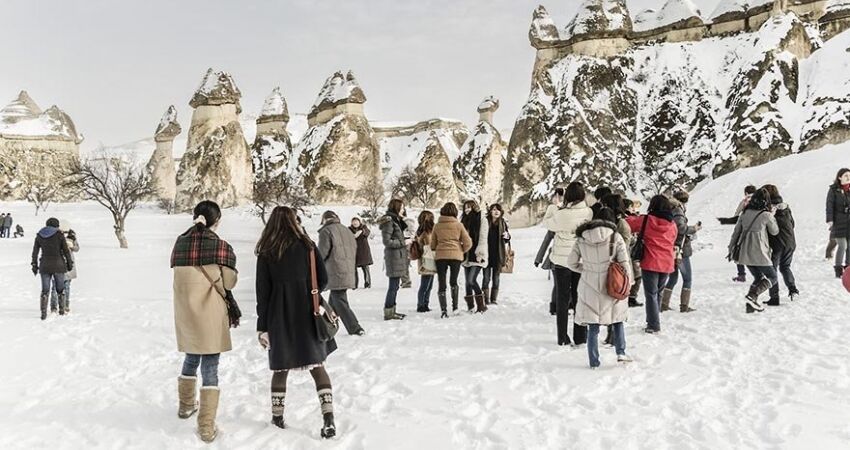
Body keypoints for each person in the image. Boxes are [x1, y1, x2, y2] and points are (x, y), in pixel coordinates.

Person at [255, 206, 338, 439]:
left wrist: (262, 327)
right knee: (318, 366)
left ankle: (277, 417)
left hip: (278, 315)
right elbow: (323, 280)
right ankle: (328, 418)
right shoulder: (307, 246)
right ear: (294, 221)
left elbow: (263, 293)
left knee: (280, 368)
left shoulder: (267, 251)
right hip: (308, 311)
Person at [170, 201, 236, 443]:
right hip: (210, 313)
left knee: (191, 356)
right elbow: (229, 283)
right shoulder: (220, 246)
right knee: (210, 365)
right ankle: (206, 426)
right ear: (216, 221)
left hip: (186, 311)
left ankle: (186, 406)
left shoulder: (180, 243)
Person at [567, 208, 634, 368]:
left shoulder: (582, 238)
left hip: (589, 284)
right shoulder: (615, 237)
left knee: (593, 324)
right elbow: (624, 263)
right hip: (612, 282)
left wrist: (587, 269)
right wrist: (628, 282)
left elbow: (571, 263)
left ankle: (594, 361)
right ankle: (621, 352)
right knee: (617, 319)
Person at [543, 181, 593, 346]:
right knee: (580, 298)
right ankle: (580, 336)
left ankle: (563, 337)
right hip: (580, 260)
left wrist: (554, 206)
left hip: (562, 261)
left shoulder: (562, 214)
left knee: (562, 299)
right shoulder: (589, 213)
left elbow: (547, 223)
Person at [626, 195, 678, 334]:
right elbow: (673, 240)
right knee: (658, 293)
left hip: (651, 261)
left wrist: (627, 214)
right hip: (667, 262)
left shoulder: (647, 220)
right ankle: (655, 319)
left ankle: (653, 324)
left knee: (651, 294)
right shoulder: (672, 224)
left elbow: (629, 224)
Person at [729, 188, 779, 313]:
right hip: (760, 253)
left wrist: (731, 249)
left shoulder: (744, 213)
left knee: (758, 277)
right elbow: (775, 231)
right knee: (772, 277)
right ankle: (752, 295)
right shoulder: (766, 215)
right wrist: (772, 216)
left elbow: (736, 233)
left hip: (744, 253)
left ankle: (751, 304)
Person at [318, 211, 365, 336]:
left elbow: (321, 254)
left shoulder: (326, 231)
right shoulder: (347, 231)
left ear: (324, 220)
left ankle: (355, 328)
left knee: (339, 300)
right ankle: (328, 324)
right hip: (348, 269)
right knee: (335, 299)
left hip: (335, 271)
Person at [661, 191, 701, 313]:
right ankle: (684, 306)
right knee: (687, 278)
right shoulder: (678, 211)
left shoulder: (671, 209)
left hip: (672, 248)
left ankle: (664, 304)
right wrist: (694, 228)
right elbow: (681, 228)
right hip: (680, 249)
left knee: (673, 278)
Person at [431, 202, 473, 318]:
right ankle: (455, 308)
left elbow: (433, 244)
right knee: (453, 281)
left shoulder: (437, 226)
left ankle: (443, 311)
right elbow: (468, 243)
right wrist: (461, 250)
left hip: (441, 256)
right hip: (456, 257)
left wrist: (438, 247)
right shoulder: (459, 225)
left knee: (442, 283)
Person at [31, 217, 73, 320]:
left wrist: (34, 264)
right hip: (59, 265)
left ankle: (43, 313)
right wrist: (69, 263)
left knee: (45, 290)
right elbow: (66, 250)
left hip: (44, 265)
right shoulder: (59, 235)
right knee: (60, 289)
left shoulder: (39, 235)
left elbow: (35, 252)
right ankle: (61, 310)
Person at [763, 184, 798, 303]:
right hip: (790, 242)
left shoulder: (768, 209)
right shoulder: (785, 207)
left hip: (777, 244)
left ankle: (774, 298)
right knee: (785, 267)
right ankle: (793, 289)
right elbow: (792, 224)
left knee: (771, 270)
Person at [377, 199, 410, 320]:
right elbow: (387, 241)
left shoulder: (396, 221)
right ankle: (389, 312)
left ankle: (392, 310)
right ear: (396, 208)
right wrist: (403, 242)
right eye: (402, 208)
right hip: (393, 257)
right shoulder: (390, 222)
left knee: (395, 286)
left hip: (398, 256)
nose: (403, 210)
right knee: (393, 286)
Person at [461, 200, 490, 313]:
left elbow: (483, 238)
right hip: (467, 254)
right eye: (465, 208)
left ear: (474, 207)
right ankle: (470, 307)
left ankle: (482, 305)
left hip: (477, 254)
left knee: (471, 280)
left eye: (469, 207)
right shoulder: (463, 220)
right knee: (467, 283)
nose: (467, 210)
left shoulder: (481, 219)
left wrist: (480, 253)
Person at [483, 204, 511, 305]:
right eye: (494, 209)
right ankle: (486, 299)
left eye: (498, 210)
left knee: (496, 278)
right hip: (486, 254)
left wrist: (507, 236)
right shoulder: (485, 222)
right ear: (490, 211)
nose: (496, 212)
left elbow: (507, 239)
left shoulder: (503, 222)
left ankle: (493, 299)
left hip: (498, 255)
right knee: (486, 278)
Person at [826, 168, 850, 278]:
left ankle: (848, 269)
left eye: (849, 175)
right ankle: (838, 269)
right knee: (842, 245)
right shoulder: (833, 190)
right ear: (840, 177)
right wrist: (830, 220)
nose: (848, 177)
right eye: (846, 175)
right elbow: (829, 205)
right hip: (838, 223)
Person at [50, 223, 79, 314]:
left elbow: (77, 248)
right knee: (55, 287)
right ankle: (54, 307)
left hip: (68, 264)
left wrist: (71, 247)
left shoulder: (72, 237)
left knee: (66, 287)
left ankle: (66, 305)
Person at [732, 185, 757, 282]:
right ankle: (761, 274)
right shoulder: (761, 201)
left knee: (738, 251)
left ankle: (741, 275)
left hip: (744, 230)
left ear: (746, 193)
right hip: (758, 231)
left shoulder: (744, 202)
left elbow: (736, 215)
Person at [623, 199, 643, 308]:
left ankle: (630, 296)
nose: (634, 209)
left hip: (631, 251)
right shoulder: (627, 219)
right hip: (631, 251)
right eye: (632, 206)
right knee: (637, 274)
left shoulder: (630, 218)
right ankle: (631, 297)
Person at [415, 211, 437, 312]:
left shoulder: (421, 230)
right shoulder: (426, 232)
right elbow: (428, 244)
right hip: (427, 259)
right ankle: (421, 305)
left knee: (428, 284)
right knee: (425, 284)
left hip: (427, 259)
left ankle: (425, 304)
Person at [534, 230, 557, 315]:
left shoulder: (555, 224)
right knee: (560, 285)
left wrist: (538, 259)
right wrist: (538, 259)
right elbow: (546, 241)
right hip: (557, 258)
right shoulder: (555, 225)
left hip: (561, 258)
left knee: (559, 285)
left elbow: (546, 241)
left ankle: (556, 307)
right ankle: (556, 307)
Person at [349, 217, 373, 289]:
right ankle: (354, 284)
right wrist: (353, 236)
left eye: (356, 221)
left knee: (365, 268)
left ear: (359, 222)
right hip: (354, 252)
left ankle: (367, 283)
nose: (355, 223)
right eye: (353, 222)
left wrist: (361, 232)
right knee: (353, 269)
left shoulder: (364, 228)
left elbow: (367, 232)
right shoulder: (349, 229)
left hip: (364, 251)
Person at [400, 212, 416, 289]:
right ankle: (405, 280)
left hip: (406, 245)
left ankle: (406, 282)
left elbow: (413, 234)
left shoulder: (408, 221)